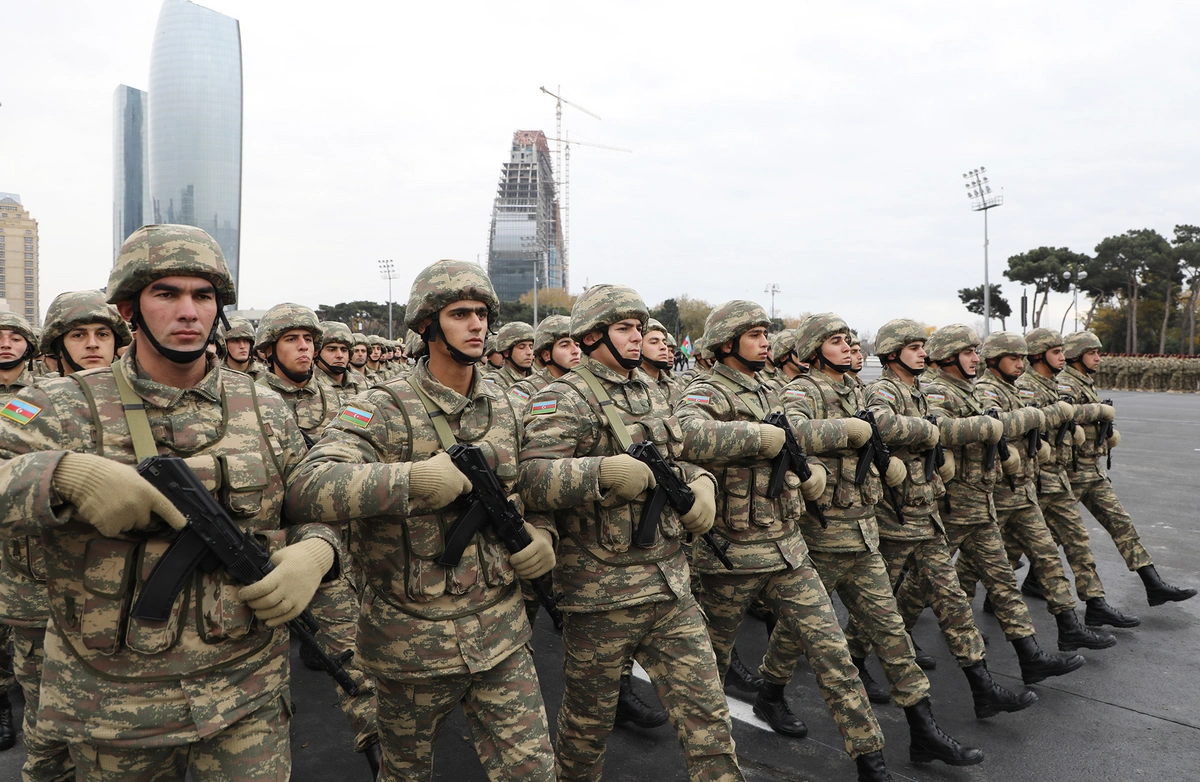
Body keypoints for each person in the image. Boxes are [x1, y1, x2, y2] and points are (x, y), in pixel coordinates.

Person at [0, 224, 333, 780]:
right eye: (167, 294)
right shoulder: (59, 406)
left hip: (244, 693)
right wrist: (60, 475)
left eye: (203, 296)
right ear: (129, 308)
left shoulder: (265, 407)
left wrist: (318, 551)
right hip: (113, 706)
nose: (188, 312)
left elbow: (313, 501)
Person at [283, 259, 556, 781]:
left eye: (482, 314)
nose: (476, 325)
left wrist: (545, 533)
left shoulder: (508, 404)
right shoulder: (382, 407)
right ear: (428, 326)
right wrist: (412, 481)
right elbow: (308, 486)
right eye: (460, 314)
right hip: (410, 644)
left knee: (535, 771)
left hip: (501, 634)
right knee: (406, 773)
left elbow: (537, 483)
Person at [518, 284, 743, 781]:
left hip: (670, 586)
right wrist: (601, 473)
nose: (638, 337)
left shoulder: (652, 391)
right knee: (587, 731)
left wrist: (701, 482)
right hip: (601, 596)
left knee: (710, 722)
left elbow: (677, 459)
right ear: (592, 336)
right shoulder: (562, 397)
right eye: (624, 328)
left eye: (639, 328)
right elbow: (531, 478)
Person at [676, 301, 896, 782]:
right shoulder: (706, 389)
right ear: (727, 343)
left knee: (833, 654)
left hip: (788, 548)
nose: (765, 343)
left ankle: (871, 761)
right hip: (730, 554)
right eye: (754, 335)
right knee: (708, 671)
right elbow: (685, 436)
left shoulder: (769, 388)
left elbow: (795, 436)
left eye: (765, 334)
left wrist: (806, 468)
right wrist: (759, 438)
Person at [782, 313, 983, 768]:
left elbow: (882, 431)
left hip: (864, 529)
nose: (847, 347)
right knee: (811, 641)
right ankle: (774, 691)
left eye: (848, 340)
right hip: (826, 532)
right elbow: (791, 433)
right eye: (836, 341)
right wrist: (849, 432)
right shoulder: (802, 390)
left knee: (893, 635)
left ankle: (924, 731)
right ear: (814, 349)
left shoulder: (855, 390)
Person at [842, 319, 1036, 721]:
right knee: (876, 607)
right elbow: (880, 424)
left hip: (927, 512)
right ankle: (855, 660)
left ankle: (983, 687)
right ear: (892, 354)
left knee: (954, 603)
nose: (922, 353)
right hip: (897, 518)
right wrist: (929, 431)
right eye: (913, 347)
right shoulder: (883, 389)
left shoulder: (915, 391)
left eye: (923, 346)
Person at [895, 325, 1087, 686]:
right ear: (948, 356)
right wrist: (1005, 423)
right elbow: (942, 429)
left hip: (982, 501)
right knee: (923, 583)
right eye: (967, 352)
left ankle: (1030, 656)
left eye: (976, 351)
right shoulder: (936, 390)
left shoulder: (968, 390)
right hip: (953, 504)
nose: (975, 358)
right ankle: (888, 638)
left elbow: (997, 426)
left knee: (1003, 580)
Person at [253, 303, 382, 773]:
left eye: (309, 340)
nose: (304, 348)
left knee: (351, 653)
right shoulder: (249, 399)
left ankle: (381, 753)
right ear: (268, 351)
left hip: (323, 538)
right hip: (263, 543)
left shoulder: (341, 395)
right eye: (292, 340)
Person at [954, 332, 1117, 652]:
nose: (1021, 364)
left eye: (1022, 358)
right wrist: (1038, 417)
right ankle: (955, 623)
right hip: (999, 490)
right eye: (1013, 358)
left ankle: (1069, 626)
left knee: (1048, 556)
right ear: (994, 360)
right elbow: (996, 425)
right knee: (971, 565)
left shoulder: (1014, 388)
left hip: (1025, 488)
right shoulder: (986, 390)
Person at [1012, 328, 1140, 628]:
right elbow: (1028, 421)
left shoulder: (1055, 383)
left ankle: (1092, 605)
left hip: (1057, 476)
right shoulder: (1027, 386)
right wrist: (1086, 412)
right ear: (1038, 355)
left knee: (1071, 541)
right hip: (1033, 479)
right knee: (1004, 550)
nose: (1063, 357)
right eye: (1057, 352)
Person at [1060, 331, 1197, 606]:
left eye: (1098, 353)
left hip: (1092, 470)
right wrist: (1098, 411)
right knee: (1047, 537)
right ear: (1076, 356)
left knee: (1121, 523)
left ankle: (1153, 583)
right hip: (1070, 472)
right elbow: (1064, 413)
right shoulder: (1065, 383)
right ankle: (1003, 590)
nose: (1098, 358)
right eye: (1092, 353)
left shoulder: (1084, 381)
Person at [0, 311, 38, 755]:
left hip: (29, 525)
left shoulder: (44, 394)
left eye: (14, 337)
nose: (6, 344)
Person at [315, 320, 367, 398]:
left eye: (344, 350)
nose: (340, 355)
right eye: (332, 350)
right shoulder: (308, 385)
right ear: (317, 353)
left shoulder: (361, 382)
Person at [640, 317, 681, 404]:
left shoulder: (673, 386)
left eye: (664, 343)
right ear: (638, 346)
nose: (663, 347)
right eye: (654, 342)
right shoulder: (632, 387)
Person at [485, 322, 535, 388]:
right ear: (506, 352)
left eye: (531, 347)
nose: (529, 352)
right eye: (521, 347)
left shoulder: (541, 378)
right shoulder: (493, 382)